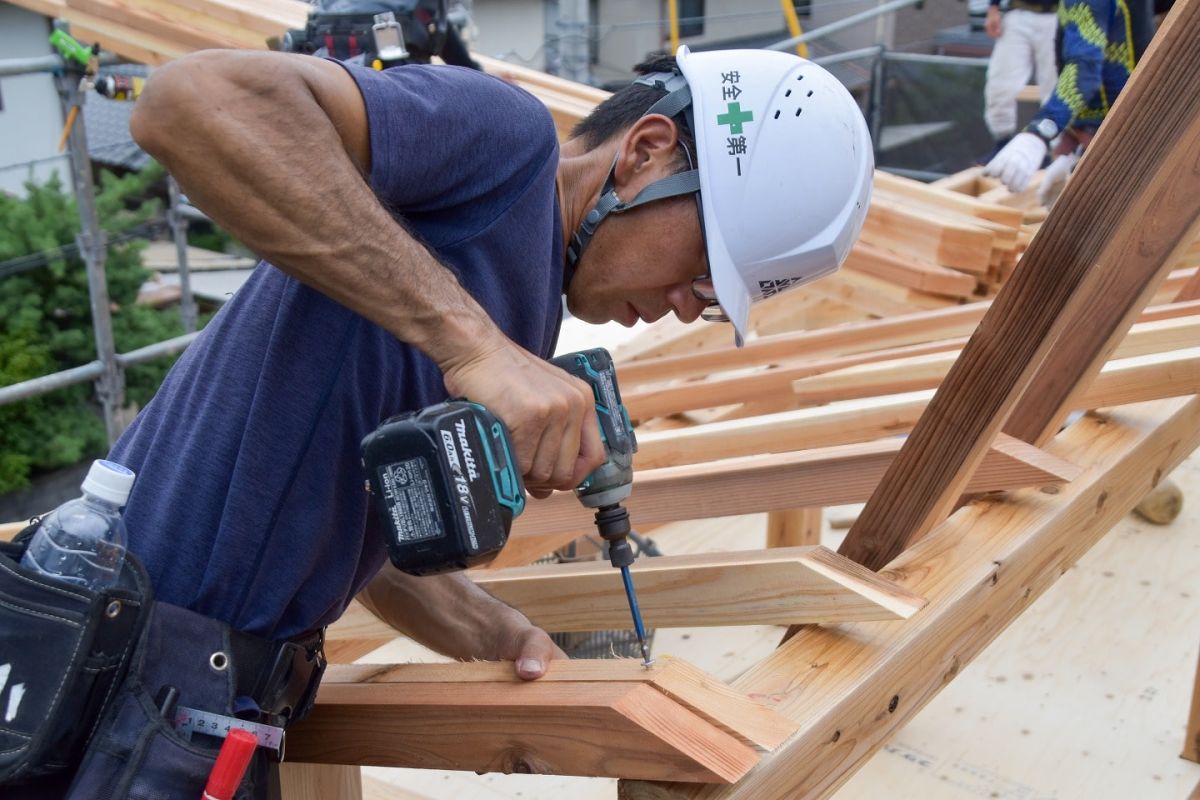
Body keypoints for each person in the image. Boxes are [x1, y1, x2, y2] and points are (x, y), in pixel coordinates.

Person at [23, 45, 872, 798]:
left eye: (718, 302)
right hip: (115, 666)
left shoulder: (525, 308)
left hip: (208, 707)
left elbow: (337, 511)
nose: (691, 308)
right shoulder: (506, 141)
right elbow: (188, 101)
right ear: (645, 154)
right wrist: (475, 349)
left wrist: (485, 625)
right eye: (705, 267)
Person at [983, 0, 1140, 203]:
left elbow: (1085, 70)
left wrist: (1040, 133)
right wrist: (1071, 142)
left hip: (1124, 135)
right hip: (1141, 125)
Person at [982, 0, 1059, 159]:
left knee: (1055, 87)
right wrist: (993, 8)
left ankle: (1051, 149)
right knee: (1000, 82)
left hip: (1058, 15)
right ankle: (1001, 143)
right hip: (1018, 13)